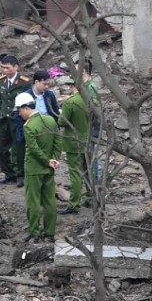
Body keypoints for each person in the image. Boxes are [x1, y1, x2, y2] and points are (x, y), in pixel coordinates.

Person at [15, 92, 60, 243]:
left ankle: (34, 232)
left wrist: (47, 161)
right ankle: (49, 232)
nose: (19, 114)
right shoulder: (50, 120)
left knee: (33, 201)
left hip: (34, 169)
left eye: (19, 110)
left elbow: (33, 149)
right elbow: (57, 141)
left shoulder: (28, 126)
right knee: (49, 201)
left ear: (26, 108)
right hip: (49, 168)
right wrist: (54, 159)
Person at [58, 64, 97, 215]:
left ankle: (74, 204)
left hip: (73, 142)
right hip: (87, 139)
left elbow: (62, 122)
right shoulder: (89, 100)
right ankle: (91, 197)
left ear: (72, 85)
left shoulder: (70, 102)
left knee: (75, 173)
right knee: (88, 171)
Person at [0, 55, 31, 186]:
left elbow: (28, 102)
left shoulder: (24, 82)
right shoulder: (0, 81)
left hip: (17, 120)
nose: (4, 70)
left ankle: (20, 175)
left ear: (16, 67)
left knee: (19, 149)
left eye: (7, 68)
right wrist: (0, 113)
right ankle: (9, 174)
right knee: (0, 149)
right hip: (4, 120)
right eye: (3, 67)